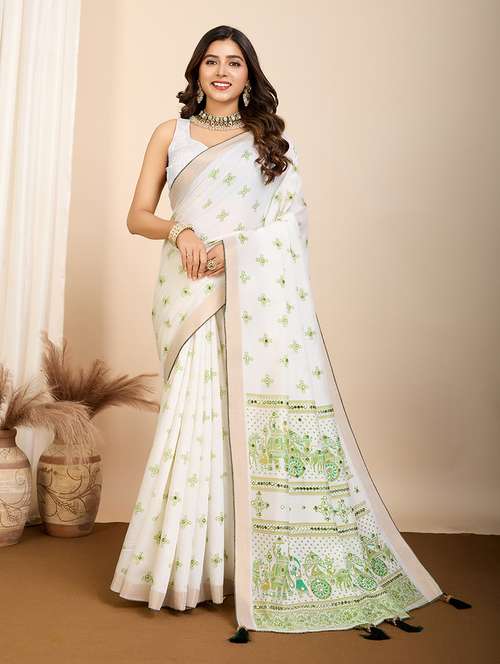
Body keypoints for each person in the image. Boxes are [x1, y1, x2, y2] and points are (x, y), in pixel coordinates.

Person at [110, 24, 470, 642]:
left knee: (241, 420)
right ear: (196, 71)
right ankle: (185, 570)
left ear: (249, 75)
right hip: (189, 291)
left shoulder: (270, 142)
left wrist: (233, 250)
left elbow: (290, 223)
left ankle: (240, 568)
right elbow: (137, 216)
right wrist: (181, 231)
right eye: (211, 61)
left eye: (235, 63)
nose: (222, 72)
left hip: (248, 293)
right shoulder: (170, 134)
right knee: (194, 420)